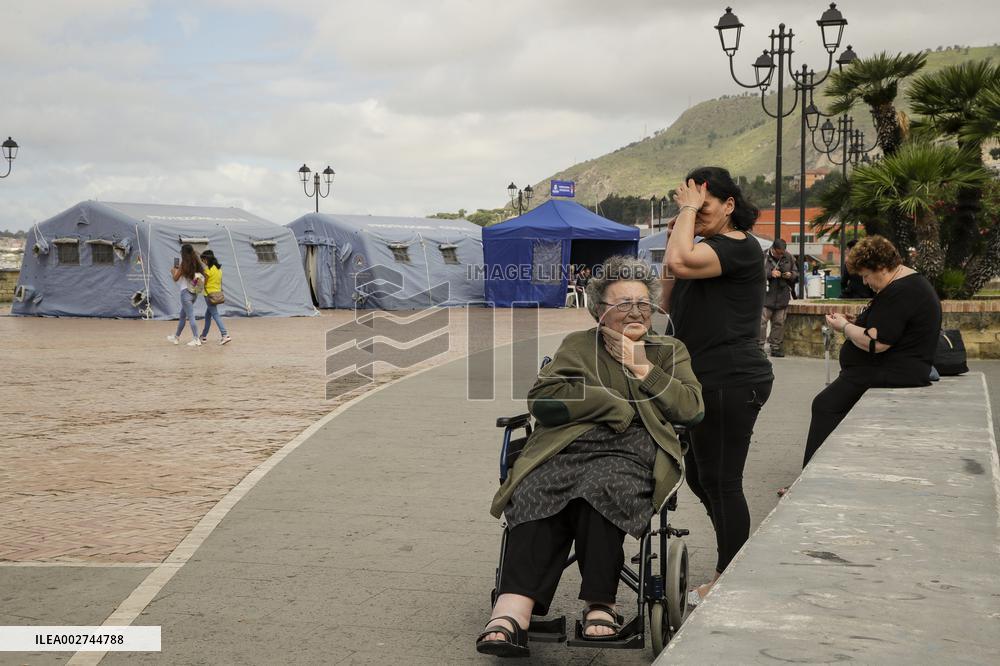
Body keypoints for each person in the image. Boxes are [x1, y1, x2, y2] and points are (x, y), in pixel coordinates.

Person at [477, 255, 704, 658]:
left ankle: (601, 605)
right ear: (599, 312)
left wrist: (641, 366)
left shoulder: (669, 350)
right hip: (568, 444)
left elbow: (691, 409)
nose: (634, 312)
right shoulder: (578, 346)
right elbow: (543, 400)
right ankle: (512, 611)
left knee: (604, 487)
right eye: (622, 305)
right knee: (536, 487)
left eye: (642, 303)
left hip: (635, 448)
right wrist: (605, 402)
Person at [660, 166, 774, 604]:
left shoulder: (740, 247)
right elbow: (668, 295)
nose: (695, 213)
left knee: (723, 481)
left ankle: (730, 577)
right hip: (702, 378)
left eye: (703, 207)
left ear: (729, 206)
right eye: (690, 206)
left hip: (731, 377)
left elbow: (680, 262)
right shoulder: (705, 249)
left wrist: (685, 225)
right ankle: (738, 553)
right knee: (699, 478)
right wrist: (679, 232)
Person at [796, 235, 941, 470]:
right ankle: (825, 466)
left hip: (892, 369)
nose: (865, 283)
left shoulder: (901, 291)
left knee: (825, 405)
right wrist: (855, 322)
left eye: (865, 275)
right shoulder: (904, 284)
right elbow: (886, 326)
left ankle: (812, 472)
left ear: (881, 267)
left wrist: (844, 326)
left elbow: (878, 342)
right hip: (894, 367)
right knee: (828, 405)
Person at [760, 238, 798, 357]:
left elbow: (796, 273)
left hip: (782, 295)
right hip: (766, 295)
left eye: (783, 252)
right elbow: (755, 272)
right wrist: (770, 274)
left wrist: (790, 275)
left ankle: (775, 347)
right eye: (779, 253)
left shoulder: (789, 257)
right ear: (773, 249)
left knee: (779, 323)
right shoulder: (763, 256)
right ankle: (759, 347)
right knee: (762, 323)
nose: (781, 255)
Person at [166, 244, 205, 347]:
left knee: (191, 316)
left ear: (183, 253)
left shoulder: (184, 265)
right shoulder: (196, 262)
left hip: (185, 294)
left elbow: (175, 278)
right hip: (194, 293)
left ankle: (196, 339)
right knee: (182, 316)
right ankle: (176, 337)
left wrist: (173, 271)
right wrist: (181, 270)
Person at [199, 250, 231, 345]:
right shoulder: (218, 269)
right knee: (208, 315)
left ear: (206, 259)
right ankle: (203, 336)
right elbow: (219, 282)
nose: (202, 262)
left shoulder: (208, 270)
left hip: (209, 295)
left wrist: (196, 282)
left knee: (215, 314)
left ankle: (225, 335)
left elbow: (203, 283)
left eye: (203, 260)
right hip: (216, 294)